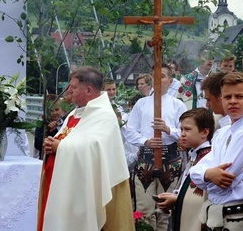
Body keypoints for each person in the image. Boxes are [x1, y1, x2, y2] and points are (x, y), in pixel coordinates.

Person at [37, 66, 134, 231]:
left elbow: (95, 148)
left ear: (88, 90)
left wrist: (60, 146)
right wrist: (51, 143)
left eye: (73, 87)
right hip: (65, 182)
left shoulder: (104, 115)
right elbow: (69, 138)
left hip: (86, 188)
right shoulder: (76, 112)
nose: (69, 91)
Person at [189, 72, 243, 230]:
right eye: (228, 97)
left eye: (239, 96)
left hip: (239, 217)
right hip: (217, 215)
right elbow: (197, 171)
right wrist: (207, 174)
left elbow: (223, 182)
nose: (233, 101)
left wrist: (207, 177)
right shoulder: (223, 132)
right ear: (221, 100)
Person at [125, 63, 188, 231]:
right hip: (145, 160)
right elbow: (129, 131)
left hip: (170, 160)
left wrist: (168, 129)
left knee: (164, 211)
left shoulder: (178, 105)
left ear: (170, 80)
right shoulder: (141, 104)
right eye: (155, 77)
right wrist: (146, 141)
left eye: (162, 76)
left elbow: (184, 133)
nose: (158, 80)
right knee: (144, 210)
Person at [156, 108, 215, 231]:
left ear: (204, 132)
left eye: (187, 129)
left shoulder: (208, 159)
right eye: (181, 129)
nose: (182, 133)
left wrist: (177, 199)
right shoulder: (194, 155)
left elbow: (200, 198)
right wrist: (175, 195)